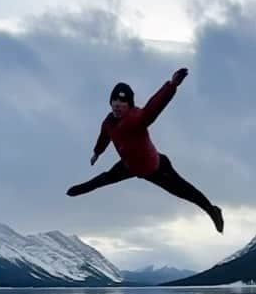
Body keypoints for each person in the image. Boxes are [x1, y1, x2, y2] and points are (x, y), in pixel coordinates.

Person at [66, 68, 224, 233]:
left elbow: (154, 107)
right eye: (115, 101)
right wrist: (97, 152)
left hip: (155, 167)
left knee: (184, 191)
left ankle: (212, 210)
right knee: (104, 179)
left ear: (130, 104)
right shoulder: (108, 122)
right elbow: (104, 137)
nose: (118, 105)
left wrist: (171, 85)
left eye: (123, 102)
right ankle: (77, 190)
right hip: (129, 166)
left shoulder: (136, 119)